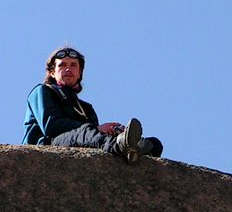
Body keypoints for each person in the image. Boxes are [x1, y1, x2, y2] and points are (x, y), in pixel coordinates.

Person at [22, 46, 163, 160]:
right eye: (62, 65)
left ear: (79, 73)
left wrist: (111, 132)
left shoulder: (85, 108)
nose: (67, 69)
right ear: (52, 72)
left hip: (76, 144)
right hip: (46, 146)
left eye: (73, 65)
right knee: (85, 131)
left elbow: (93, 138)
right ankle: (120, 146)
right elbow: (51, 125)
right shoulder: (42, 91)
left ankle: (131, 147)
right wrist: (96, 128)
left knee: (155, 144)